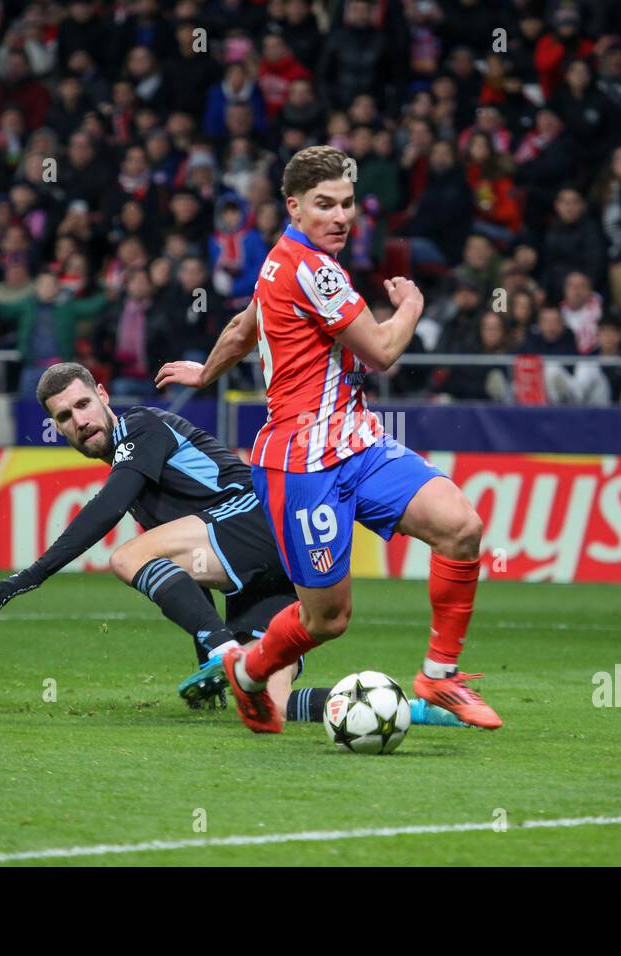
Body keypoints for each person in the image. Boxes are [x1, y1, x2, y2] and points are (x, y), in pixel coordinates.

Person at [157, 145, 501, 733]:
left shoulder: (281, 261)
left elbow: (245, 328)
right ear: (293, 206)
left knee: (461, 526)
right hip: (301, 466)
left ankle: (439, 676)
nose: (340, 217)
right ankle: (247, 673)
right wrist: (413, 305)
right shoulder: (311, 271)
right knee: (327, 620)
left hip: (360, 445)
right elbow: (385, 351)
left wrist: (205, 371)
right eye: (324, 205)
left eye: (347, 204)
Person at [0, 362, 464, 728]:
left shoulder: (140, 428)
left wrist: (30, 574)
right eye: (64, 417)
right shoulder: (135, 464)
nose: (78, 421)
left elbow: (107, 509)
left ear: (103, 395)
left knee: (127, 555)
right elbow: (190, 572)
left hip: (253, 518)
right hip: (266, 557)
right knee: (264, 698)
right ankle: (410, 710)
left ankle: (223, 649)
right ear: (57, 429)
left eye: (82, 405)